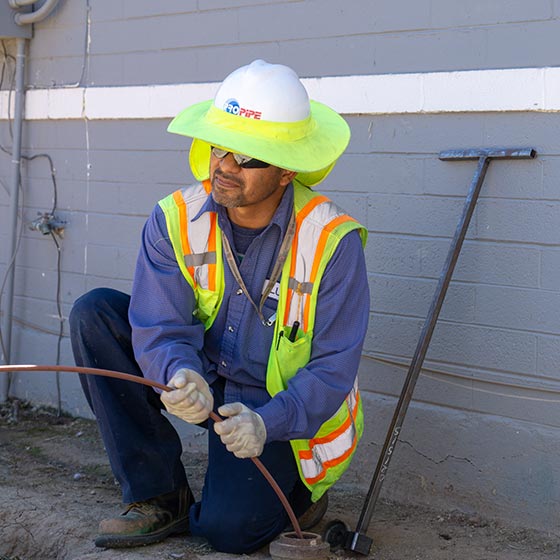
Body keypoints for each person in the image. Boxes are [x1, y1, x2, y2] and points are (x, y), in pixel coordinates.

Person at [69, 59, 370, 554]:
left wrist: (267, 424)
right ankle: (159, 493)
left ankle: (299, 497)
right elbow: (158, 323)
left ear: (287, 167)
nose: (225, 167)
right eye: (219, 147)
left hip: (273, 403)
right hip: (206, 368)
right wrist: (179, 372)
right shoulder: (175, 218)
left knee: (228, 532)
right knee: (95, 314)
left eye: (248, 157)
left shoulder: (334, 244)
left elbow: (332, 370)